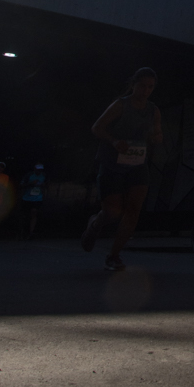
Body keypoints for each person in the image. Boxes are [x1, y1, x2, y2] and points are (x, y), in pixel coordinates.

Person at [81, 67, 162, 271]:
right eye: (142, 85)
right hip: (112, 163)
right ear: (134, 84)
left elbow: (158, 134)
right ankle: (96, 223)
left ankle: (114, 255)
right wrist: (115, 141)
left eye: (150, 87)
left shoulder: (153, 110)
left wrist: (155, 137)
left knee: (133, 209)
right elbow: (97, 127)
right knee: (112, 212)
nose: (145, 91)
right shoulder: (120, 105)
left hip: (137, 164)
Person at [20, 163, 46, 239]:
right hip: (27, 198)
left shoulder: (43, 176)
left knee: (34, 212)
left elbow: (46, 186)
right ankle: (23, 232)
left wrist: (43, 189)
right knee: (25, 215)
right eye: (38, 170)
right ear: (35, 169)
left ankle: (31, 232)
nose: (39, 171)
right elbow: (21, 185)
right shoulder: (29, 175)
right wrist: (30, 183)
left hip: (37, 198)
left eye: (40, 170)